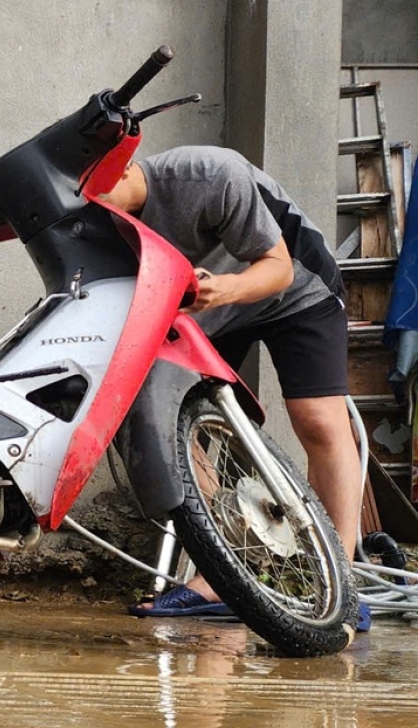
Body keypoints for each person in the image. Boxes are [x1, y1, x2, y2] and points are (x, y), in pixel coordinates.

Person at [102, 145, 370, 632]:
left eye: (92, 191)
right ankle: (223, 576)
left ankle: (343, 586)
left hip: (298, 289)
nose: (86, 207)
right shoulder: (96, 218)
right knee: (170, 421)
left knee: (318, 419)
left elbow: (279, 268)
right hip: (213, 309)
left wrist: (222, 288)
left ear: (120, 167)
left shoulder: (208, 175)